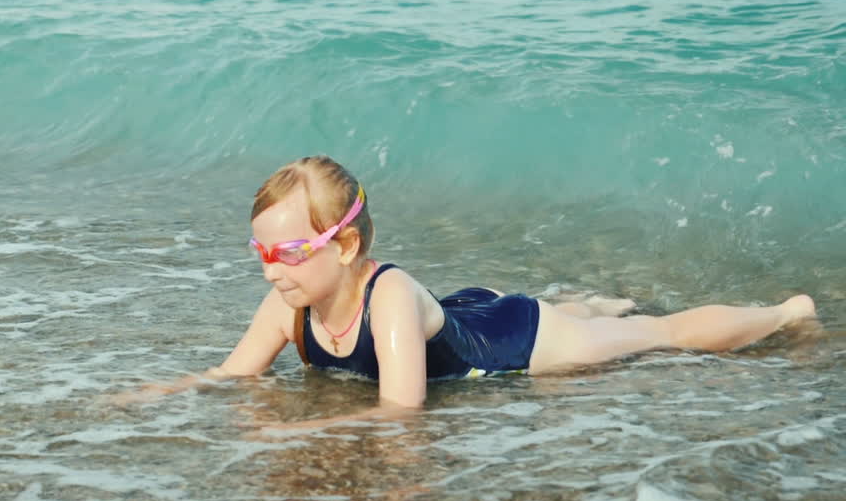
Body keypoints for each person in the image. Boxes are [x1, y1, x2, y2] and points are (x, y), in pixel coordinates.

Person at [133, 156, 817, 413]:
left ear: (342, 245)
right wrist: (151, 393)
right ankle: (590, 301)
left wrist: (299, 442)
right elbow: (232, 374)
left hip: (510, 338)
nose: (269, 266)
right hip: (459, 311)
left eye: (285, 250)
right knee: (589, 316)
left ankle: (786, 311)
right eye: (260, 250)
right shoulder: (290, 300)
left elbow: (402, 415)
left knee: (654, 337)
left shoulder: (389, 298)